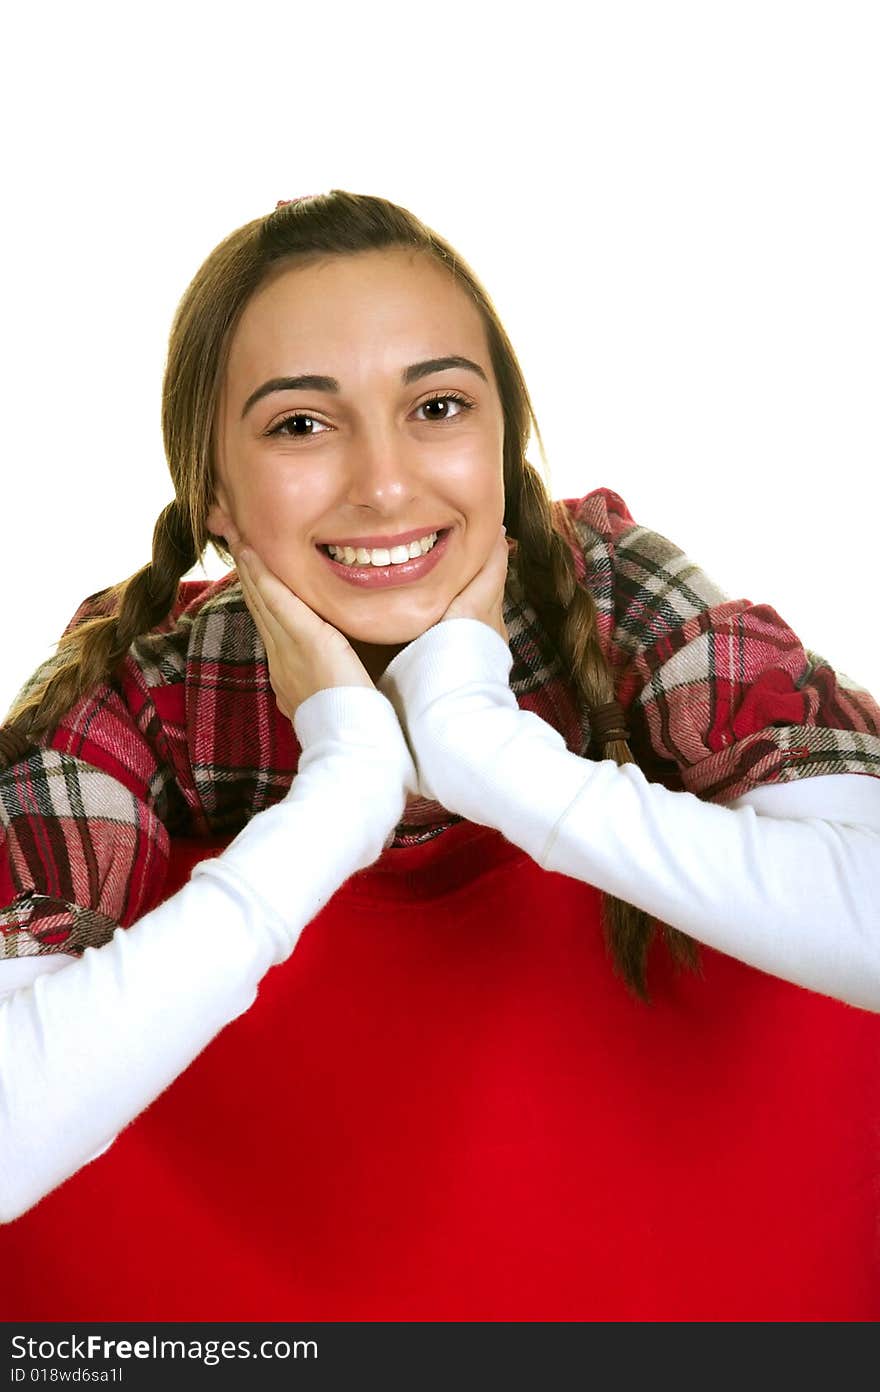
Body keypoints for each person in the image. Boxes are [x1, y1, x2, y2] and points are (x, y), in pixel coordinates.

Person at [1, 189, 879, 1322]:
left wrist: (479, 745)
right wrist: (341, 796)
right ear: (213, 489)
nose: (384, 482)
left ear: (500, 436)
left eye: (437, 406)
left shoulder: (610, 585)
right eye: (300, 425)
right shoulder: (145, 684)